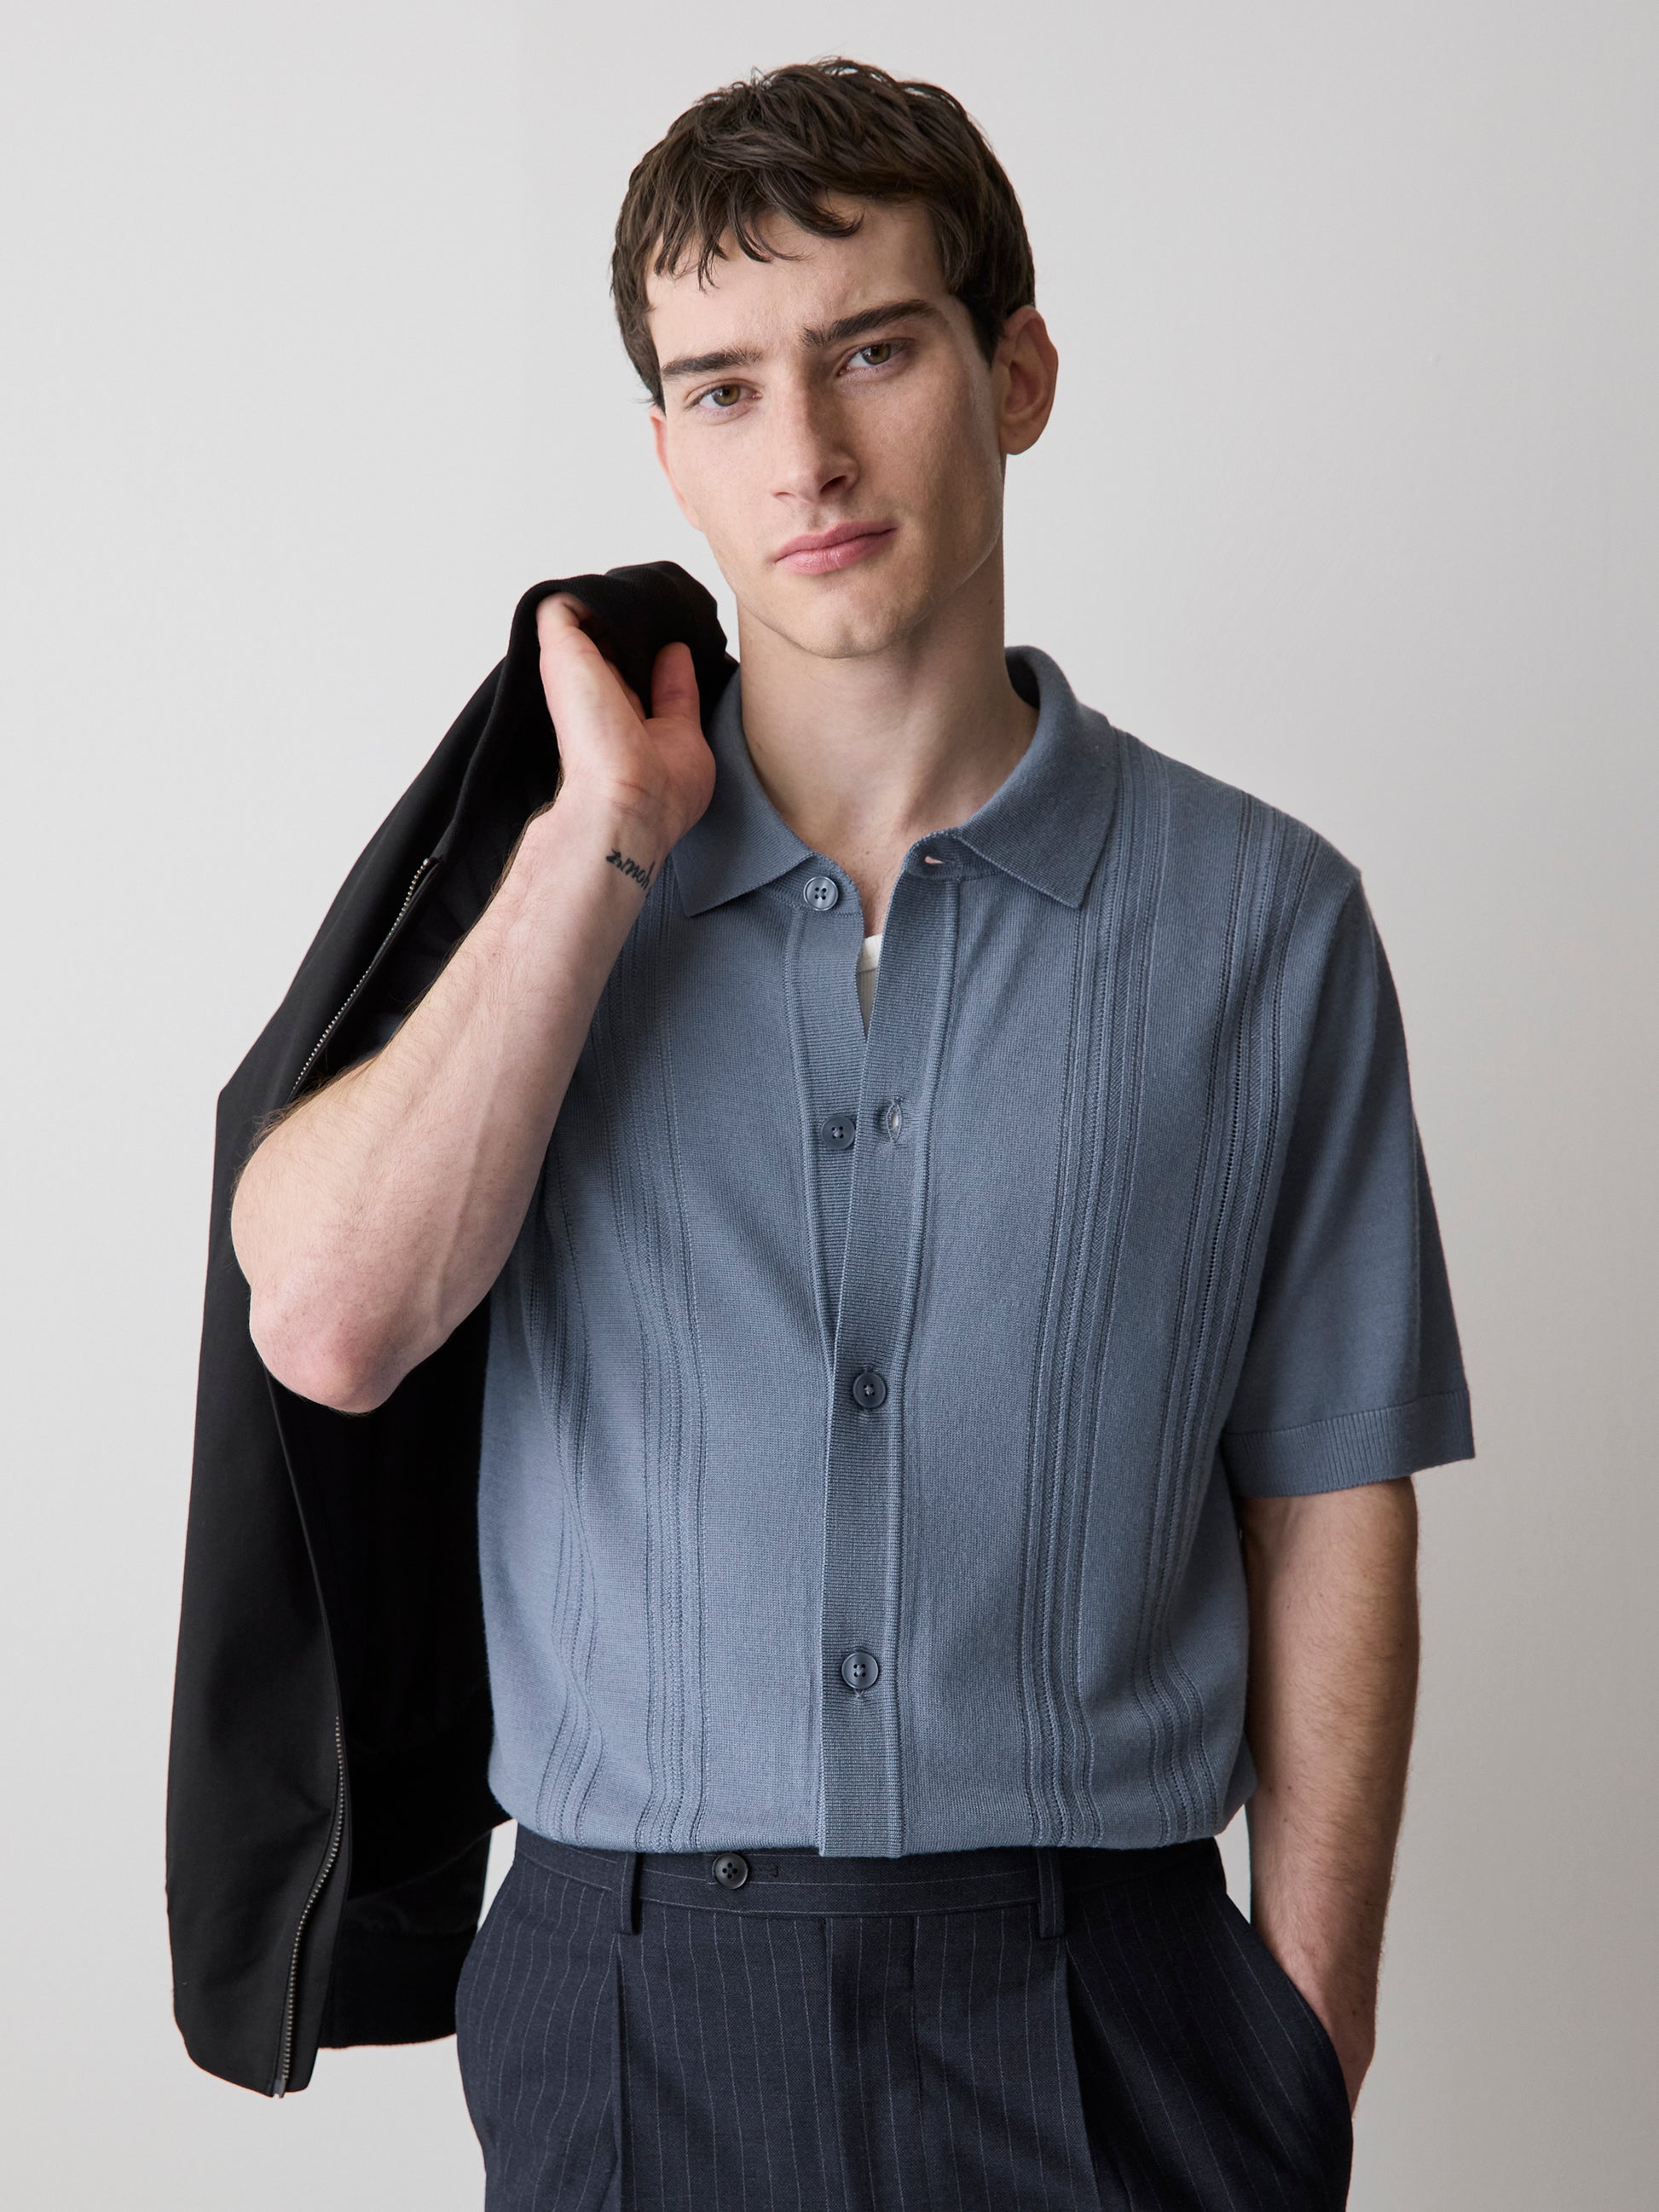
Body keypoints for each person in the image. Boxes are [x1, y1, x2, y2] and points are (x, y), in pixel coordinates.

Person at [220, 56, 1472, 2212]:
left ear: (1017, 374)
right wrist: (598, 842)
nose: (800, 450)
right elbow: (327, 1323)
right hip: (631, 2004)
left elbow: (1328, 1491)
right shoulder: (530, 905)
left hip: (1114, 2006)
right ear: (667, 454)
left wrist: (1304, 2026)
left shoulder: (1264, 922)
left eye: (871, 350)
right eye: (721, 389)